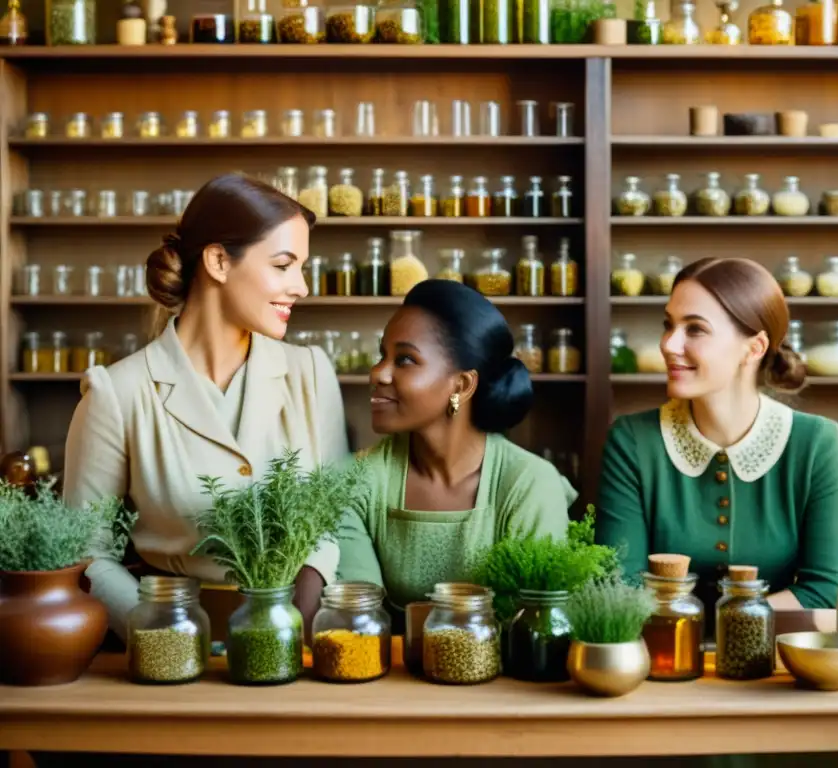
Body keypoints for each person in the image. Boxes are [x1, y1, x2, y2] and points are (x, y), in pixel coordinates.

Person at [63, 173, 348, 640]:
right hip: (170, 649)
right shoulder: (118, 393)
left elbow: (335, 520)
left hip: (296, 637)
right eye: (283, 265)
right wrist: (167, 634)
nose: (301, 287)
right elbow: (87, 554)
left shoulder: (311, 374)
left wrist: (294, 620)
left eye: (303, 268)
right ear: (218, 260)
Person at [597, 256, 838, 615]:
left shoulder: (819, 445)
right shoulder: (632, 441)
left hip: (773, 665)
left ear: (754, 348)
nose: (669, 345)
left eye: (695, 329)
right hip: (658, 663)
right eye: (668, 325)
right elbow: (619, 587)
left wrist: (725, 626)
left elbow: (829, 590)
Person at [334, 279, 575, 618]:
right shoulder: (351, 481)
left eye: (404, 359)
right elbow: (359, 621)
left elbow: (534, 625)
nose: (377, 374)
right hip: (384, 669)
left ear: (461, 385)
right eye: (381, 355)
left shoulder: (529, 484)